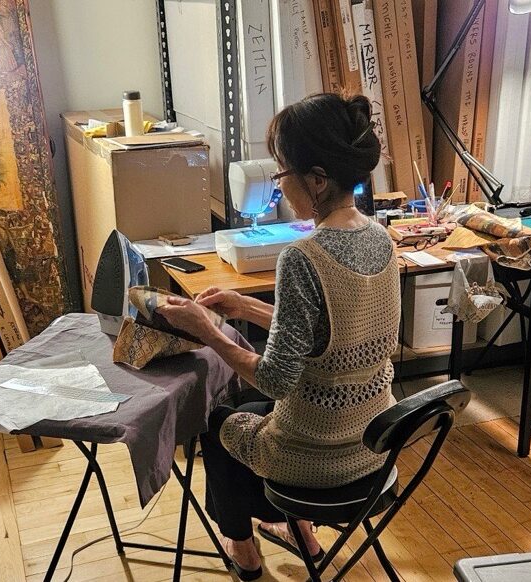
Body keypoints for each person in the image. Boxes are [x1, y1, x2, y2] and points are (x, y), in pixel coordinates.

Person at [158, 93, 401, 580]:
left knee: (218, 420)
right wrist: (245, 306)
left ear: (316, 179)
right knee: (249, 416)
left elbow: (275, 378)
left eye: (281, 173)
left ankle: (244, 548)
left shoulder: (304, 257)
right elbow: (333, 336)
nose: (279, 186)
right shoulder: (381, 238)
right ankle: (300, 531)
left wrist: (209, 332)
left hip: (317, 460)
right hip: (374, 447)